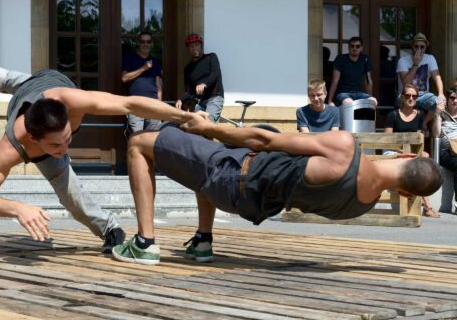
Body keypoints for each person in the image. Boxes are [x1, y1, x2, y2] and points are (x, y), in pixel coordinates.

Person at [112, 122, 442, 265]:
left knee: (139, 144)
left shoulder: (344, 147)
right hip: (246, 201)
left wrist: (205, 126)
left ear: (407, 156)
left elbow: (265, 141)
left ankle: (144, 243)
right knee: (214, 150)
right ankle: (203, 241)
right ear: (403, 191)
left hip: (229, 174)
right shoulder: (358, 206)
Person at [0, 55, 209, 249]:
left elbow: (130, 104)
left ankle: (109, 230)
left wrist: (186, 116)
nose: (64, 151)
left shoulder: (74, 102)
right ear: (32, 138)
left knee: (34, 84)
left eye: (68, 139)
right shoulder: (11, 145)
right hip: (23, 98)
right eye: (55, 146)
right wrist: (17, 209)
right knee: (71, 194)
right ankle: (0, 76)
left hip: (54, 83)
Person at [384, 83, 442, 218]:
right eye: (408, 95)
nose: (411, 98)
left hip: (410, 153)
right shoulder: (392, 115)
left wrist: (411, 153)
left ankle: (424, 205)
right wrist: (403, 152)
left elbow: (418, 140)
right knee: (417, 162)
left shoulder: (420, 115)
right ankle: (427, 207)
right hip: (393, 151)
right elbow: (387, 140)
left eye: (414, 96)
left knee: (425, 157)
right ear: (402, 98)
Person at [121, 31, 163, 135]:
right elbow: (124, 78)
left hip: (152, 104)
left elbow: (159, 85)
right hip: (136, 104)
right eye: (142, 41)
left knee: (151, 139)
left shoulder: (155, 61)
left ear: (151, 44)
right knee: (136, 137)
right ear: (138, 43)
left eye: (148, 42)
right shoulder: (130, 58)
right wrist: (143, 68)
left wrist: (160, 104)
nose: (145, 44)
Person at [175, 33, 224, 122]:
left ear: (201, 46)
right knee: (195, 125)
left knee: (207, 123)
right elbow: (189, 91)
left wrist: (204, 83)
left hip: (214, 97)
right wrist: (181, 100)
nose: (194, 48)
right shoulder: (188, 68)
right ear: (188, 49)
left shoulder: (211, 57)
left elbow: (214, 74)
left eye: (197, 45)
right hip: (200, 101)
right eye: (191, 46)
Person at [396, 33, 444, 117]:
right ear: (412, 46)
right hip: (406, 95)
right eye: (416, 46)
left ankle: (425, 123)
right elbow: (406, 83)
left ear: (425, 48)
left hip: (424, 95)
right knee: (403, 100)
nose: (419, 49)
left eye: (422, 47)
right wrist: (415, 64)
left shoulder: (430, 58)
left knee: (440, 103)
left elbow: (437, 78)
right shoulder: (403, 60)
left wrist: (441, 93)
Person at [328, 37, 377, 107]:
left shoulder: (365, 59)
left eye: (357, 46)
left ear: (361, 48)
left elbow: (369, 81)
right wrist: (330, 100)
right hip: (343, 93)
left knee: (373, 101)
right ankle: (350, 118)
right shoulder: (340, 59)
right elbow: (335, 80)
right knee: (349, 103)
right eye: (352, 46)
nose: (354, 48)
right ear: (348, 47)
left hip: (359, 93)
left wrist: (369, 98)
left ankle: (364, 118)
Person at [439, 86, 457, 213]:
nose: (455, 101)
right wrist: (436, 115)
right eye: (452, 98)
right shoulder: (441, 115)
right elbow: (435, 133)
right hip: (446, 151)